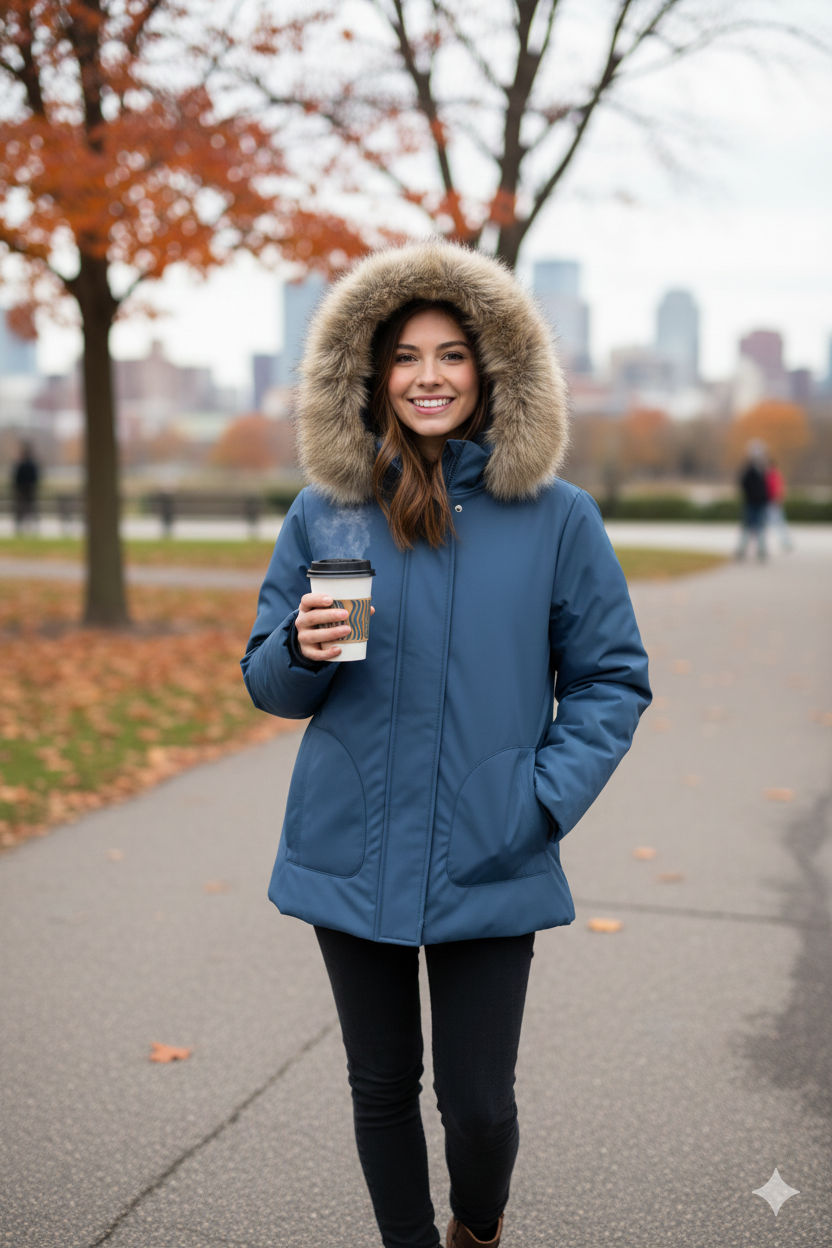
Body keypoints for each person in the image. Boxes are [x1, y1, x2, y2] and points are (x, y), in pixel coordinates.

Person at [241, 242, 651, 1248]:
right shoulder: (322, 512)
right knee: (380, 1086)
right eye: (406, 356)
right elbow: (267, 680)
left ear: (493, 369)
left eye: (453, 354)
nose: (429, 376)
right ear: (372, 375)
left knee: (476, 1104)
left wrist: (538, 801)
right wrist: (299, 647)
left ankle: (477, 1225)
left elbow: (612, 680)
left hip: (490, 842)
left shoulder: (556, 519)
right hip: (350, 841)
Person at [736, 440, 769, 561]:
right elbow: (744, 484)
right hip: (751, 503)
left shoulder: (762, 469)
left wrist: (764, 497)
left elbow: (764, 486)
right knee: (747, 527)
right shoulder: (749, 470)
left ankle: (761, 551)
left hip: (760, 503)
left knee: (760, 528)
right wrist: (753, 496)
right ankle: (741, 550)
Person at [765, 458, 793, 553]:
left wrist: (777, 499)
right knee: (778, 523)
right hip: (773, 502)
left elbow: (776, 489)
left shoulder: (773, 475)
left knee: (777, 523)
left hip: (773, 502)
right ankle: (785, 541)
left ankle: (785, 541)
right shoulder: (774, 475)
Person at [12, 442, 40, 534]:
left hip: (22, 491)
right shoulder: (32, 465)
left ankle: (20, 526)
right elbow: (36, 478)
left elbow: (16, 478)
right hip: (30, 491)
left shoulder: (21, 465)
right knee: (29, 509)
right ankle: (30, 526)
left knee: (21, 509)